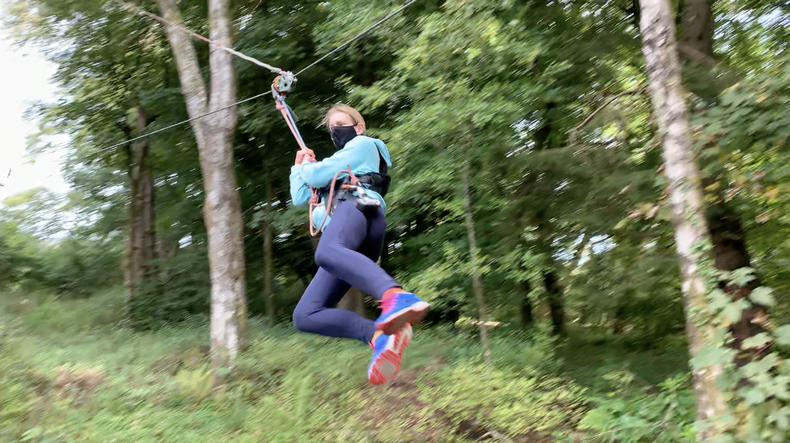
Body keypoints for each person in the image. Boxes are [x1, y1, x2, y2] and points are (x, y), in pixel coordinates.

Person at [289, 104, 429, 385]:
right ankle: (379, 337)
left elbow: (316, 176)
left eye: (341, 123)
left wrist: (311, 169)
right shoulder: (335, 169)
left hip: (359, 211)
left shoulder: (365, 145)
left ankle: (395, 297)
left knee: (327, 251)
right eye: (332, 128)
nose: (336, 130)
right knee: (305, 314)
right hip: (344, 238)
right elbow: (301, 196)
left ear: (358, 126)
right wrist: (298, 167)